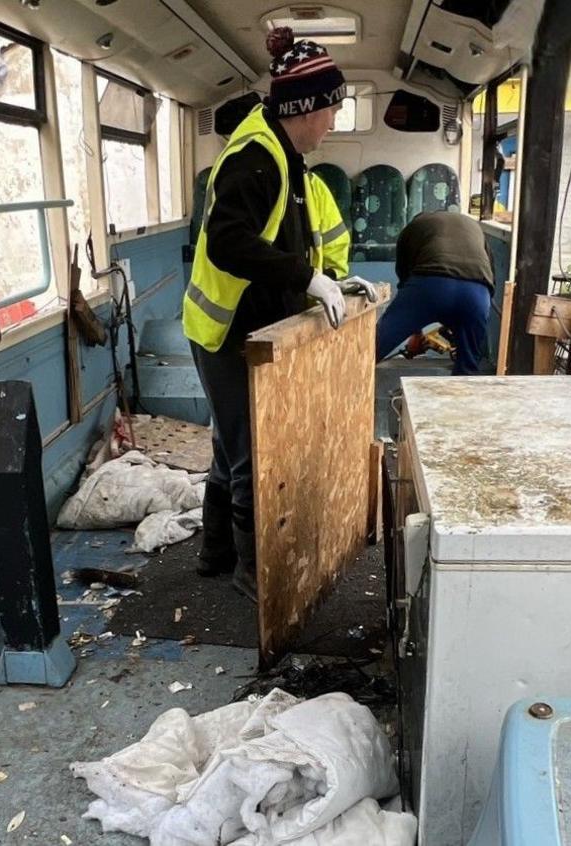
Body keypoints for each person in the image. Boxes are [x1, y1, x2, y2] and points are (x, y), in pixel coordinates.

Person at [184, 27, 370, 600]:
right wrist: (305, 278)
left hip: (249, 325)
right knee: (250, 457)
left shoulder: (286, 157)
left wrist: (327, 283)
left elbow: (287, 242)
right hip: (225, 329)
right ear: (307, 107)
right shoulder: (258, 158)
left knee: (228, 446)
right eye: (332, 110)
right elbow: (227, 243)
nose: (334, 123)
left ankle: (215, 555)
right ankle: (253, 574)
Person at [375, 211, 494, 376]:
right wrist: (460, 328)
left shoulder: (413, 228)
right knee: (468, 370)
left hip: (430, 287)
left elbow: (405, 278)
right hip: (477, 293)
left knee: (371, 348)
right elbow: (490, 276)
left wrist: (416, 334)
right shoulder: (473, 226)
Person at [307, 170, 351, 280]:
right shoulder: (311, 183)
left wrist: (331, 276)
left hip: (311, 283)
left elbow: (335, 238)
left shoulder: (312, 184)